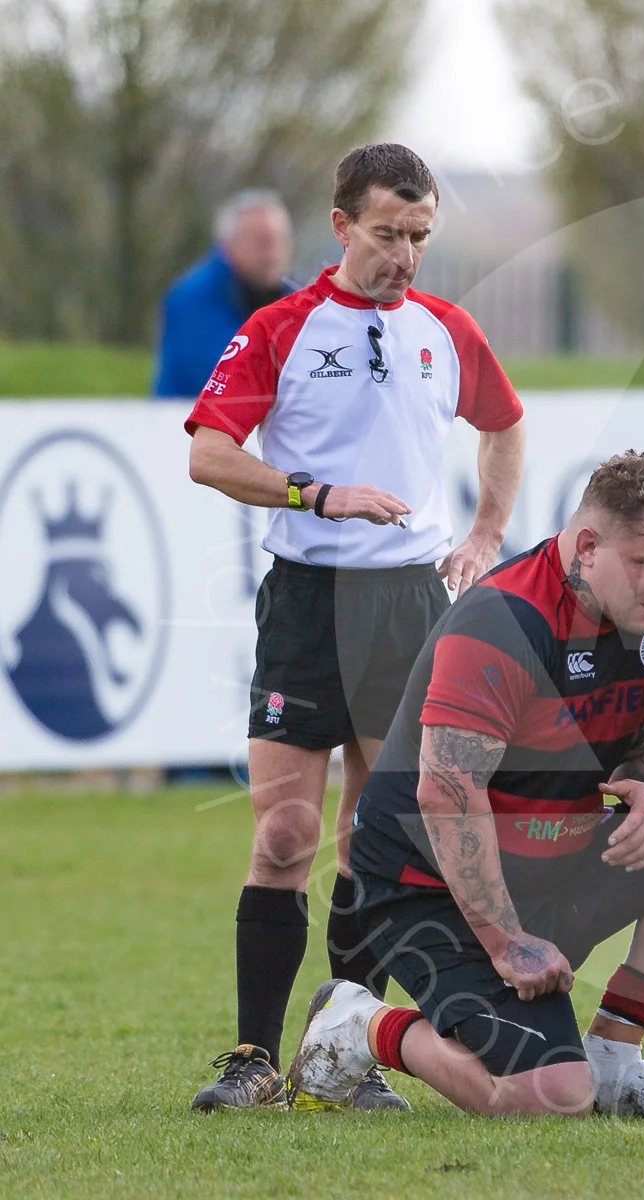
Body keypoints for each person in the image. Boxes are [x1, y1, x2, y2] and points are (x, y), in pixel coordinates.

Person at [184, 143, 528, 1113]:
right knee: (287, 833)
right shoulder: (280, 328)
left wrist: (487, 531)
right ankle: (253, 1056)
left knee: (372, 843)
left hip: (408, 606)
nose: (406, 255)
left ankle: (341, 1057)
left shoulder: (445, 329)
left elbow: (504, 423)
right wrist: (316, 494)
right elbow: (211, 455)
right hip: (307, 599)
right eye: (387, 235)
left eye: (420, 237)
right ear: (340, 228)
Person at [284, 452, 644, 1118]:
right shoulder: (503, 621)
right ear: (587, 545)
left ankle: (613, 1053)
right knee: (547, 1096)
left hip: (551, 866)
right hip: (430, 890)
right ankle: (358, 1024)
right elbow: (446, 792)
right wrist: (505, 940)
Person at [153, 191, 296, 399]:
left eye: (280, 241)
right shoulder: (191, 299)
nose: (273, 253)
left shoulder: (297, 296)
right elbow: (220, 373)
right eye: (262, 242)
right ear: (229, 245)